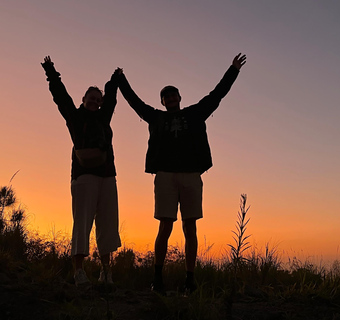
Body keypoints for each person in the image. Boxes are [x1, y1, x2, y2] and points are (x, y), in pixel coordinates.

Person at [117, 53, 247, 294]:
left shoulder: (194, 113)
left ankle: (190, 280)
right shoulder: (155, 117)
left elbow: (217, 95)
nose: (169, 98)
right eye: (165, 96)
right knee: (165, 227)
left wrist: (233, 70)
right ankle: (158, 279)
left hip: (190, 176)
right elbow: (135, 102)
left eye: (172, 94)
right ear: (163, 101)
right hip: (165, 176)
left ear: (179, 97)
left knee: (190, 228)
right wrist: (121, 80)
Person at [41, 56, 122, 286]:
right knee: (82, 222)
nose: (95, 102)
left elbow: (112, 98)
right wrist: (51, 72)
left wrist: (114, 80)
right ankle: (78, 272)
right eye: (91, 98)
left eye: (98, 99)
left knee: (107, 223)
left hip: (107, 176)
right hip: (83, 176)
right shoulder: (75, 117)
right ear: (83, 99)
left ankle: (106, 272)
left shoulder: (104, 117)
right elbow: (60, 97)